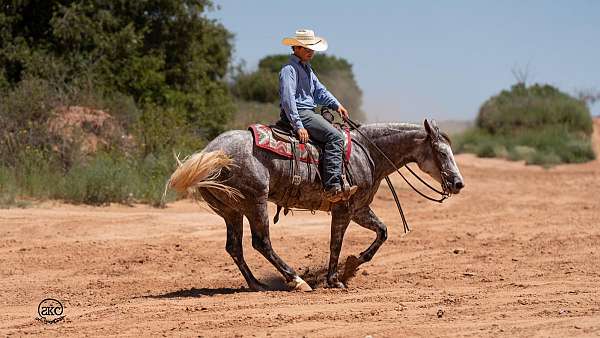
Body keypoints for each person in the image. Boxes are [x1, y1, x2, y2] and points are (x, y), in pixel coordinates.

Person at [279, 29, 357, 203]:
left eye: (312, 48)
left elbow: (320, 91)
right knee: (336, 137)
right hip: (300, 113)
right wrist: (299, 125)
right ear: (296, 47)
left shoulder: (307, 69)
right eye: (306, 48)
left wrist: (336, 104)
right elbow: (288, 100)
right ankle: (332, 187)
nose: (310, 51)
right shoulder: (289, 70)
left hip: (307, 112)